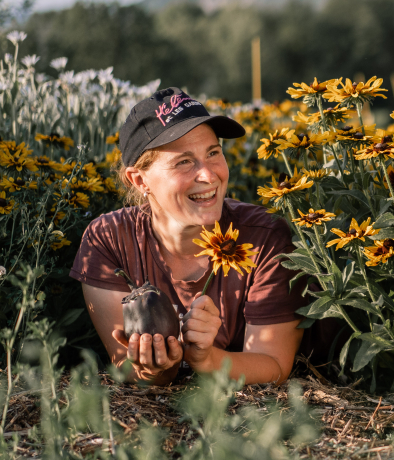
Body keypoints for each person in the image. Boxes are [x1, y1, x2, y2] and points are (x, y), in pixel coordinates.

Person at [71, 87, 308, 386]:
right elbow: (129, 367)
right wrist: (159, 368)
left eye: (213, 152)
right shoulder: (108, 241)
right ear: (139, 179)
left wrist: (206, 360)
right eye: (184, 161)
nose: (208, 175)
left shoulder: (263, 239)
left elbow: (273, 364)